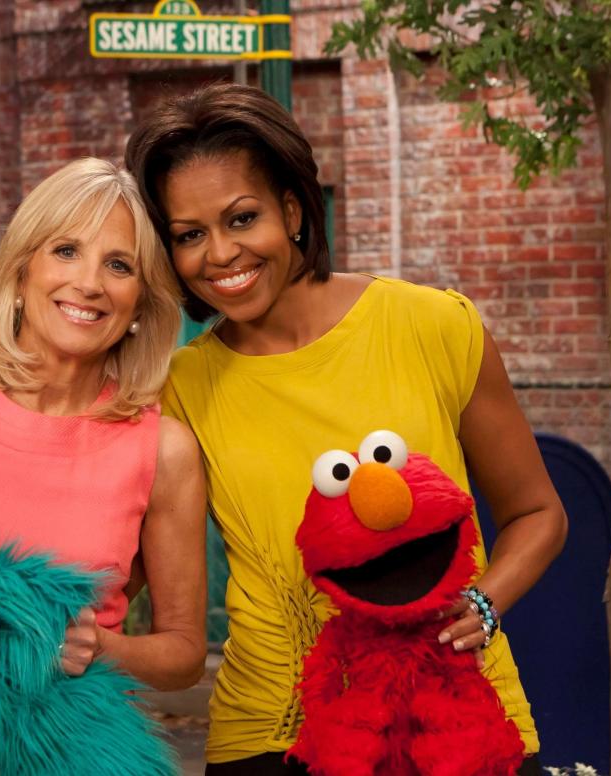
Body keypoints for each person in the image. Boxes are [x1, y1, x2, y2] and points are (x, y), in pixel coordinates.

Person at [124, 83, 568, 775]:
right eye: (188, 235)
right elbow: (129, 571)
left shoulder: (433, 327)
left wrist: (484, 603)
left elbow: (538, 513)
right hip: (272, 739)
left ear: (293, 209)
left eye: (241, 218)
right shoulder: (180, 387)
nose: (219, 254)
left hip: (457, 719)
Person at [0, 157, 208, 774]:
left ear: (140, 299)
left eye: (119, 265)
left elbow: (185, 654)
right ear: (23, 266)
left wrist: (103, 647)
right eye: (66, 250)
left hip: (69, 755)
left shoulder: (163, 450)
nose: (89, 283)